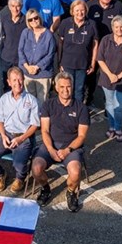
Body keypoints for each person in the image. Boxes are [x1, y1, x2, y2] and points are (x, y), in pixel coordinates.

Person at [32, 71, 89, 212]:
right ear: (56, 87)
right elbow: (44, 131)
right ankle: (45, 188)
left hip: (71, 148)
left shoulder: (81, 108)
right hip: (50, 145)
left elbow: (81, 136)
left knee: (75, 173)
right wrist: (51, 150)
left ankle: (71, 192)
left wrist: (67, 150)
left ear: (72, 87)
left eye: (68, 86)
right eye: (62, 87)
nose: (65, 90)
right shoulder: (48, 105)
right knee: (36, 168)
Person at [0, 66, 40, 194]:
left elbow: (35, 125)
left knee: (19, 164)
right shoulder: (4, 99)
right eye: (14, 80)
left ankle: (20, 178)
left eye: (19, 79)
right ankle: (0, 174)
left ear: (23, 80)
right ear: (9, 82)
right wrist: (3, 135)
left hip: (23, 137)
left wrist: (21, 138)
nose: (17, 83)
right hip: (7, 134)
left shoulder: (32, 100)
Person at [96, 15, 122, 142]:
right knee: (109, 104)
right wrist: (110, 75)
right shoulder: (106, 40)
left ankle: (118, 128)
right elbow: (100, 59)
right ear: (112, 28)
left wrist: (118, 76)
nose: (119, 29)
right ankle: (111, 127)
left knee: (119, 106)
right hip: (107, 79)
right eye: (117, 27)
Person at [55, 0, 98, 109]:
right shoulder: (65, 23)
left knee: (79, 89)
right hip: (67, 63)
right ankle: (65, 110)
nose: (80, 13)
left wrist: (93, 63)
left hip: (82, 64)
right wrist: (59, 62)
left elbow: (95, 45)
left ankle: (77, 111)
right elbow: (60, 43)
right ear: (72, 11)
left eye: (82, 10)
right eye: (77, 10)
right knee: (66, 88)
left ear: (86, 11)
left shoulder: (91, 24)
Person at [18, 7, 56, 102]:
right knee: (28, 101)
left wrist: (37, 67)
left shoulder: (49, 35)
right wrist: (27, 67)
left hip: (43, 74)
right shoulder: (25, 32)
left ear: (39, 18)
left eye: (36, 18)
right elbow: (20, 50)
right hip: (27, 73)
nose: (34, 21)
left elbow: (50, 55)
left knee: (42, 102)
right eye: (30, 20)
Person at [0, 0, 27, 92]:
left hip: (21, 59)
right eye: (12, 6)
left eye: (18, 6)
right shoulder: (4, 19)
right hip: (6, 58)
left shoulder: (26, 21)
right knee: (6, 86)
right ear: (9, 6)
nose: (15, 9)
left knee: (20, 85)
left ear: (22, 6)